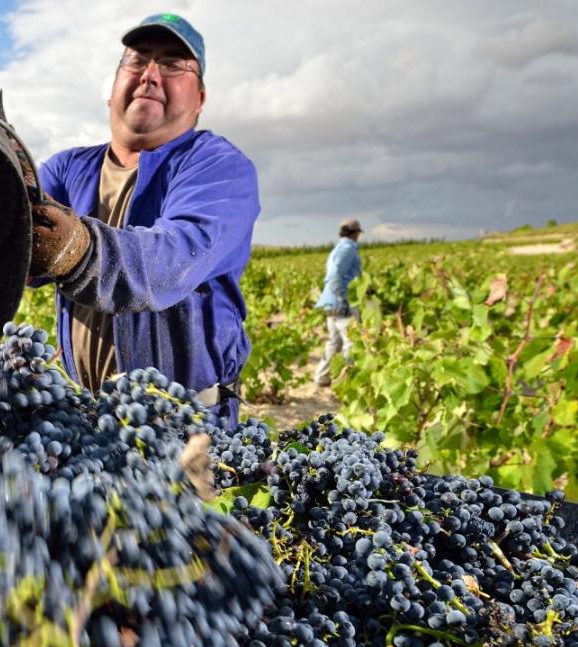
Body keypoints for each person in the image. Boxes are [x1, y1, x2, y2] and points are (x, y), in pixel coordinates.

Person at [23, 12, 261, 429]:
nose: (150, 74)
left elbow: (170, 261)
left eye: (173, 65)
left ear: (200, 98)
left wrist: (79, 251)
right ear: (111, 89)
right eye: (136, 61)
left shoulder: (218, 167)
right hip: (86, 421)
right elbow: (20, 253)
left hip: (187, 425)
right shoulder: (66, 168)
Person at [313, 218, 363, 388]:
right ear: (355, 233)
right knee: (351, 342)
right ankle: (347, 381)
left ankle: (322, 377)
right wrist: (343, 298)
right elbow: (334, 276)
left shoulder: (338, 248)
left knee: (335, 342)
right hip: (341, 302)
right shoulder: (348, 249)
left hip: (330, 302)